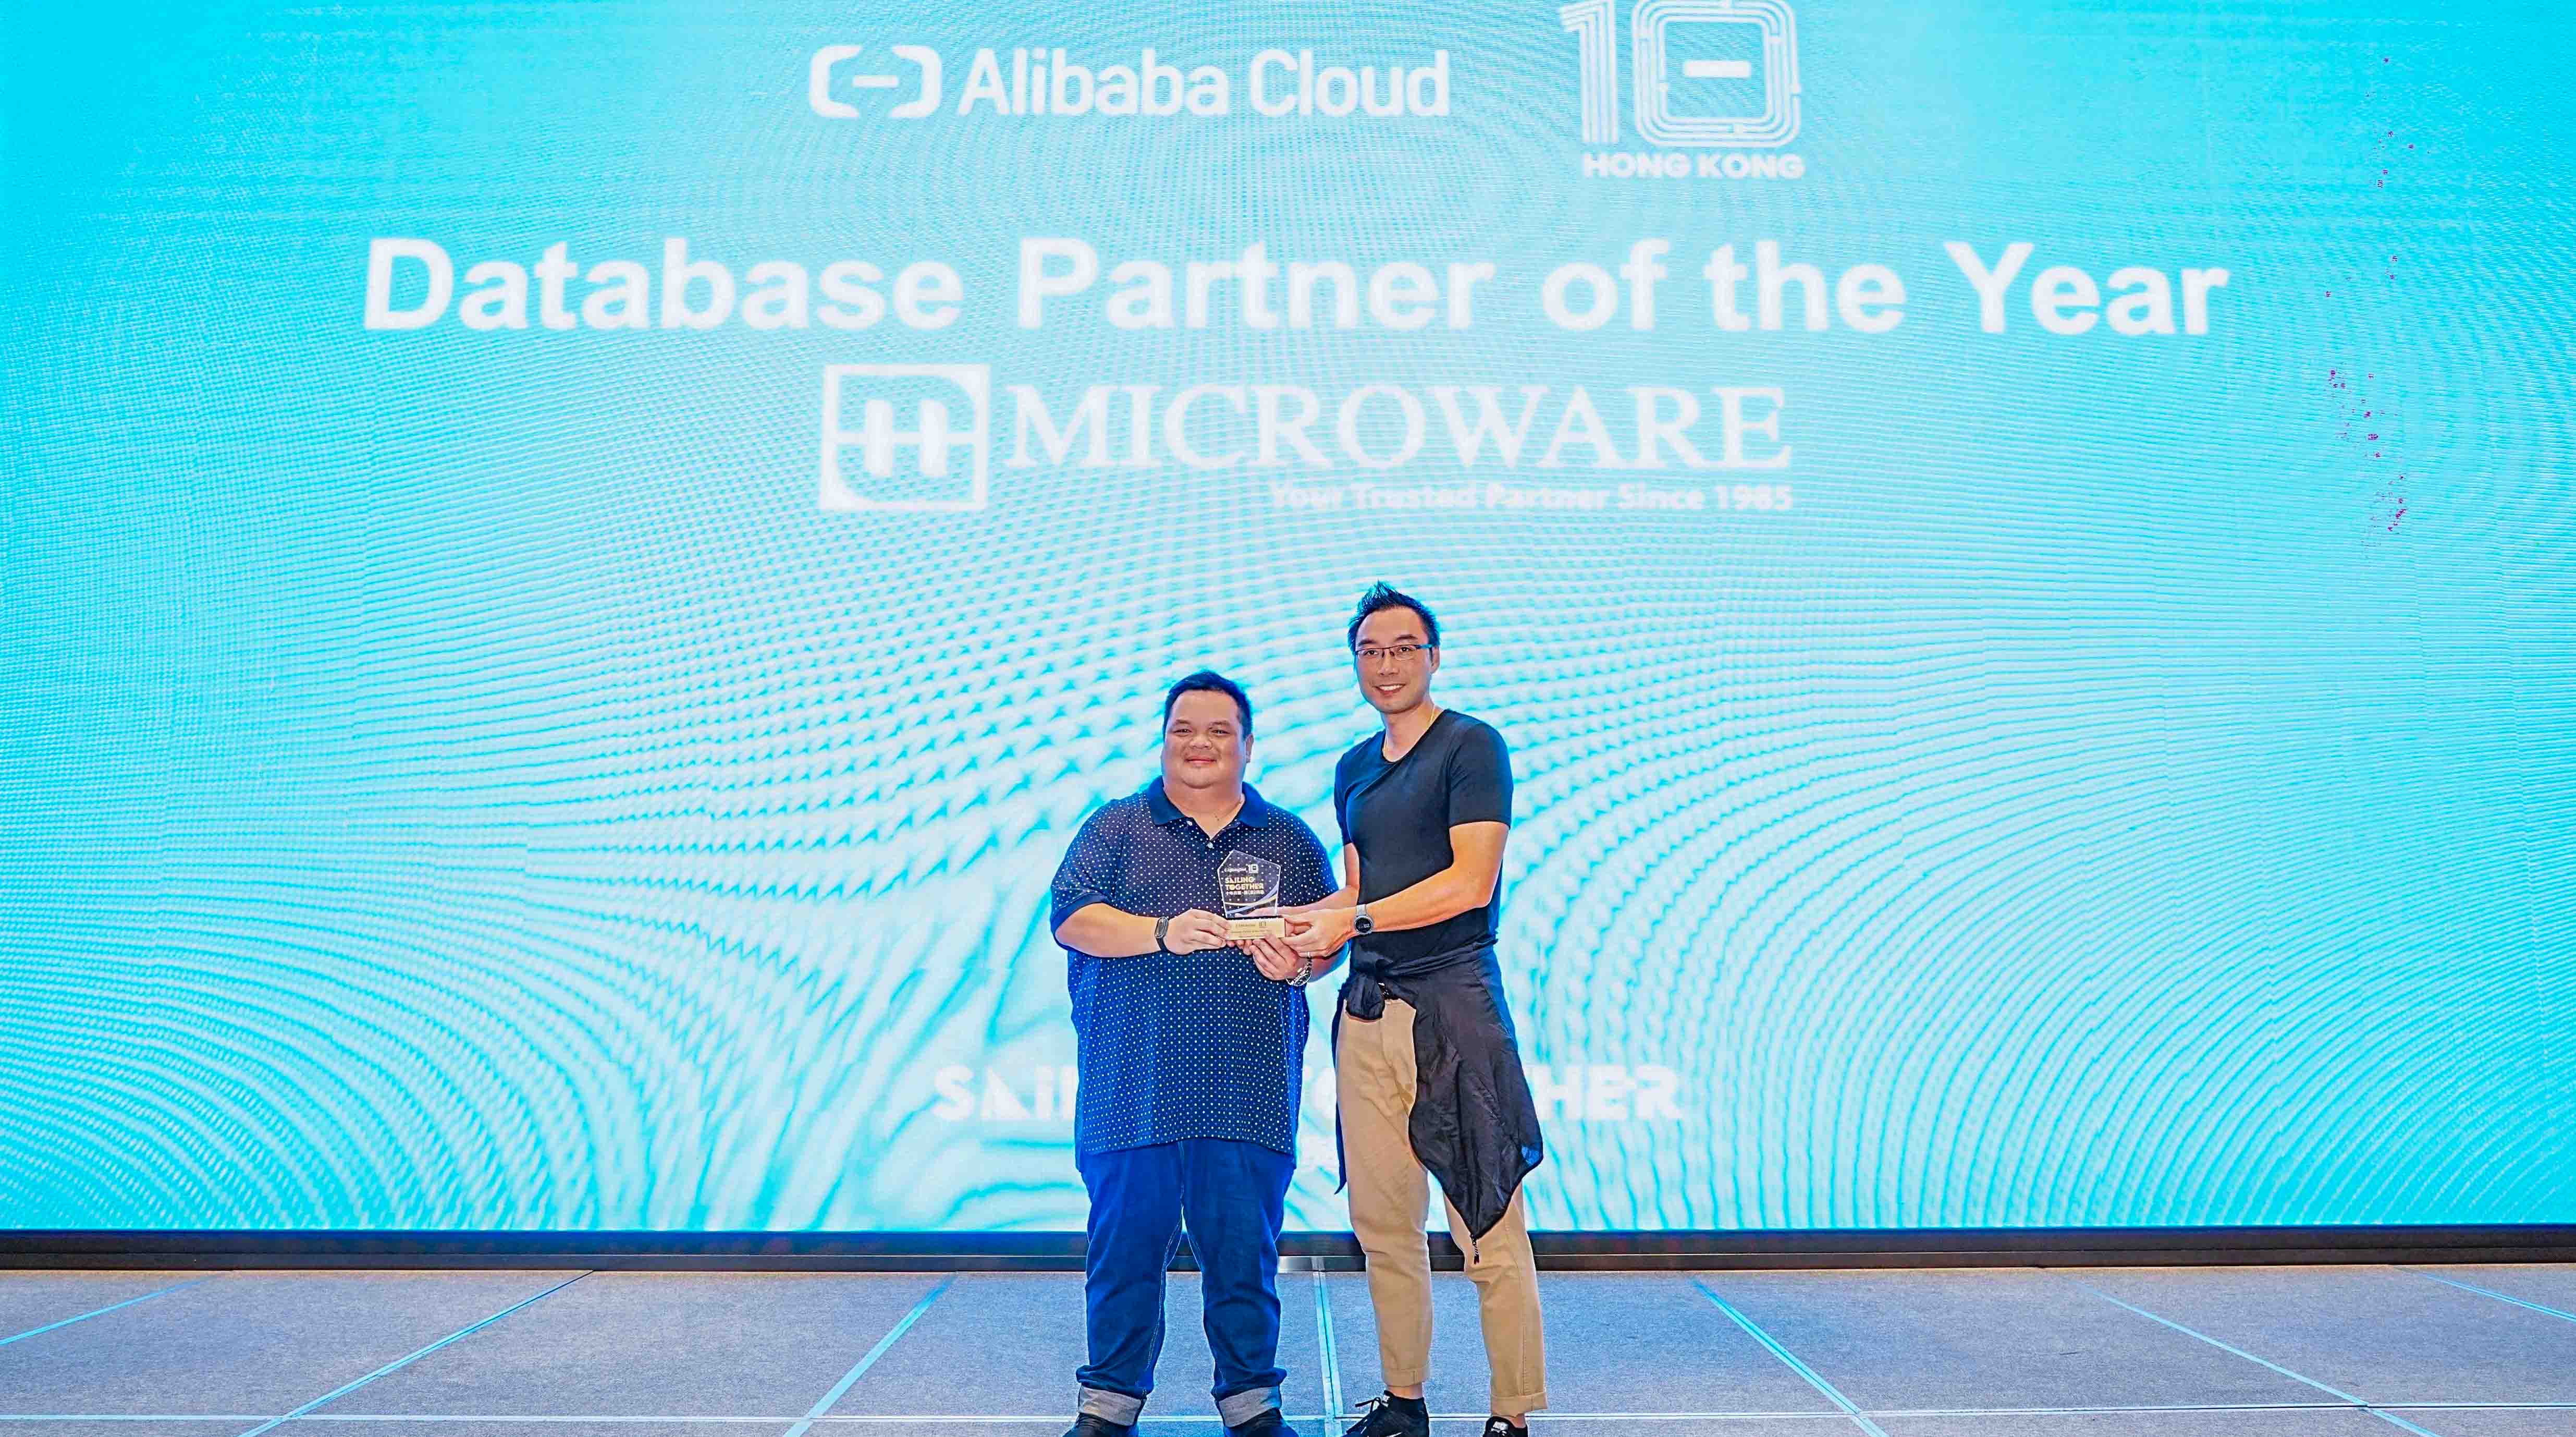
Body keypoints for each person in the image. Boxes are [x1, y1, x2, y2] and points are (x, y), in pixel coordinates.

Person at [1283, 584, 1550, 1437]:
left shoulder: (1472, 746)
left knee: (1486, 1222)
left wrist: (1351, 920)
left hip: (1453, 1009)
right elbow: (1358, 890)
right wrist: (1301, 937)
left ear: (1433, 657)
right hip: (1366, 1012)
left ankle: (1510, 1415)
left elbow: (1468, 884)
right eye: (1370, 651)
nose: (1386, 664)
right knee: (1383, 1226)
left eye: (1403, 648)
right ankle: (1404, 1402)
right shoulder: (1353, 767)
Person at [1049, 670, 1336, 1437]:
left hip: (1247, 1088)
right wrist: (1160, 932)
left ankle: (1252, 1407)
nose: (1199, 743)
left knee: (1245, 1261)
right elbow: (1071, 918)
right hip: (1130, 1088)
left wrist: (1302, 965)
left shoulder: (1289, 839)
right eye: (1183, 729)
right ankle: (1107, 1410)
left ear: (1248, 745)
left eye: (1217, 731)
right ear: (1163, 740)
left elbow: (1327, 940)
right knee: (1123, 1257)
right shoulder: (1115, 827)